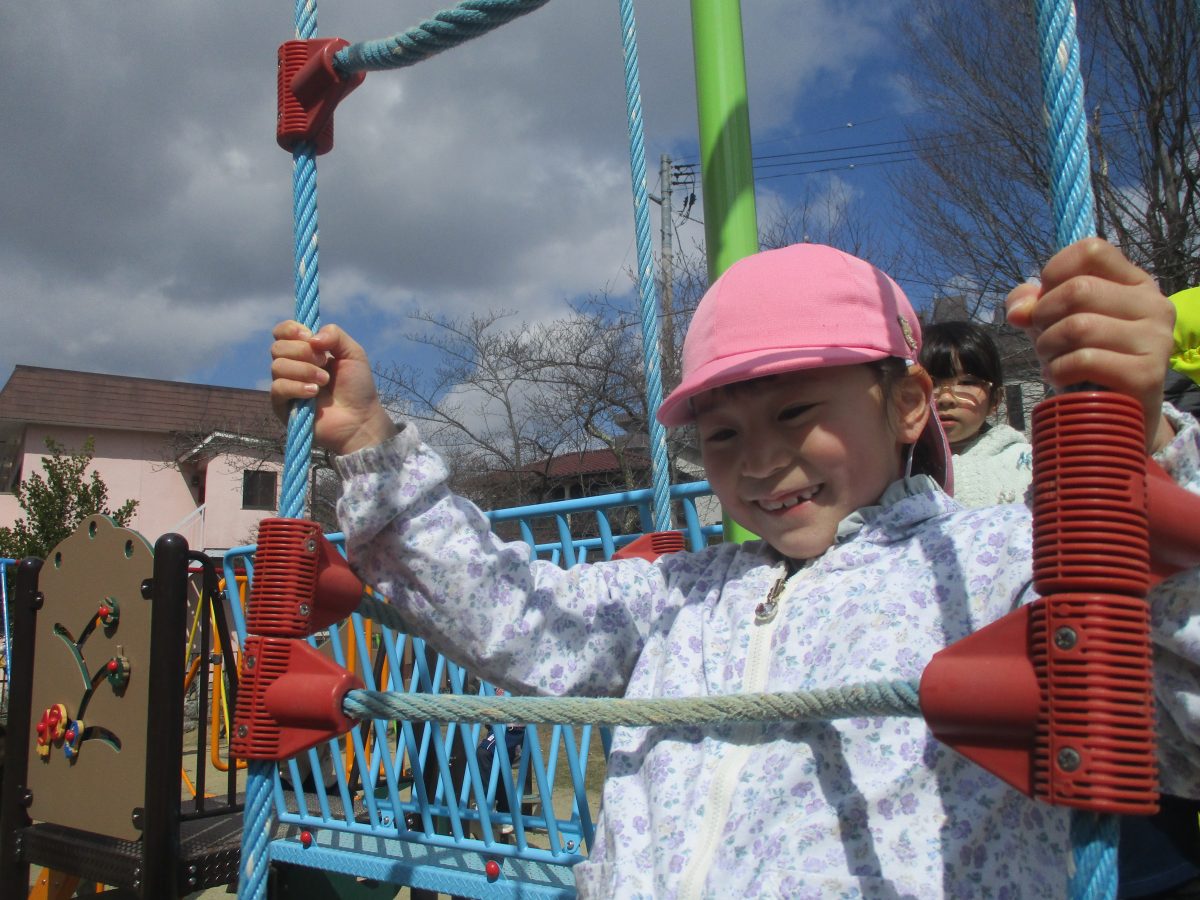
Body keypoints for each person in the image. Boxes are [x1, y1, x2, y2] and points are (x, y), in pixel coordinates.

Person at [269, 238, 1200, 897]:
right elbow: (514, 619)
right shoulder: (683, 594)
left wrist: (1147, 440)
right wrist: (370, 442)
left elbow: (1186, 725)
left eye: (796, 413)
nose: (758, 461)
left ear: (910, 403)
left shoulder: (998, 568)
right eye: (720, 434)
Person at [918, 320, 1033, 506]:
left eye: (966, 383)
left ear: (995, 399)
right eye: (931, 384)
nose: (946, 398)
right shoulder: (893, 470)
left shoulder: (1027, 465)